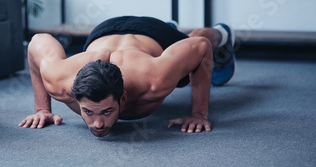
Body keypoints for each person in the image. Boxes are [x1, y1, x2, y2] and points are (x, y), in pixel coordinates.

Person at [18, 16, 235, 137]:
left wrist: (198, 113)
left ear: (123, 98)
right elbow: (38, 42)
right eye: (88, 112)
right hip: (104, 31)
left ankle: (222, 32)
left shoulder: (155, 79)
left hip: (154, 34)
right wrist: (43, 109)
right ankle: (170, 29)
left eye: (106, 111)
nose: (97, 123)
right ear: (75, 98)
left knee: (194, 40)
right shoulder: (58, 81)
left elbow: (201, 47)